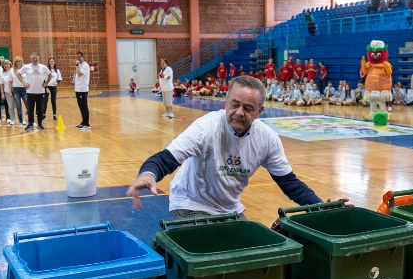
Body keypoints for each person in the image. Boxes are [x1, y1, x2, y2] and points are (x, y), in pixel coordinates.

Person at [125, 76, 346, 217]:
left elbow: (290, 184)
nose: (239, 113)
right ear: (226, 103)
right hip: (191, 203)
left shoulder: (267, 139)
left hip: (229, 208)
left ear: (259, 112)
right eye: (235, 105)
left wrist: (320, 207)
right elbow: (166, 158)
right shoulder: (206, 128)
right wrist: (148, 173)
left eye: (248, 108)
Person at [17, 52, 51, 131]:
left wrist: (46, 83)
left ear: (38, 58)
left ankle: (40, 124)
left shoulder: (43, 67)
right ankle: (30, 124)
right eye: (33, 58)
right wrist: (24, 83)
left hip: (41, 91)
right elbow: (18, 74)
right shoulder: (26, 67)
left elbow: (50, 74)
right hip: (30, 91)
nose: (35, 60)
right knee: (30, 109)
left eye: (36, 58)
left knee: (40, 109)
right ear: (31, 59)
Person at [74, 51, 91, 130]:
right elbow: (76, 75)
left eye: (79, 57)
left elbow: (80, 74)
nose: (78, 59)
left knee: (84, 106)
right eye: (76, 57)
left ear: (82, 57)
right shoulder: (79, 65)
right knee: (80, 106)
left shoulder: (85, 65)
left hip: (83, 89)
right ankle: (83, 122)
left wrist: (76, 66)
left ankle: (87, 123)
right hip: (78, 88)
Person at [11, 57, 27, 126]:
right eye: (16, 61)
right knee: (18, 106)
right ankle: (21, 121)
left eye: (19, 61)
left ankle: (31, 121)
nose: (18, 62)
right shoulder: (12, 70)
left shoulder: (25, 68)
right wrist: (10, 91)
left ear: (21, 61)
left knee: (27, 104)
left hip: (24, 89)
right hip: (16, 89)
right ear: (15, 62)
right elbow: (10, 81)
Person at [0, 59, 15, 126]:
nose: (6, 65)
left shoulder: (14, 71)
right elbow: (1, 85)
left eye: (7, 64)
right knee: (10, 106)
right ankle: (12, 120)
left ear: (10, 65)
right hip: (7, 91)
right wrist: (2, 93)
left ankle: (21, 119)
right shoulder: (2, 73)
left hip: (16, 91)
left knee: (19, 106)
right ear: (3, 66)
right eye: (5, 64)